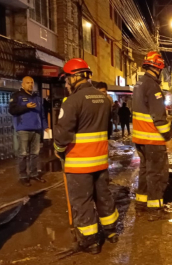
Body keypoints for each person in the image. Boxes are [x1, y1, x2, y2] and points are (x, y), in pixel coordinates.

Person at [54, 58, 118, 255]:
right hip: (100, 159)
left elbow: (63, 134)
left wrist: (58, 148)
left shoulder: (72, 101)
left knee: (82, 201)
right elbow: (108, 130)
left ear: (75, 77)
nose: (66, 84)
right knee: (103, 195)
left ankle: (90, 241)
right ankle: (111, 231)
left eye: (67, 80)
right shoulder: (104, 100)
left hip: (79, 162)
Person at [132, 51, 172, 221]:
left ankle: (141, 203)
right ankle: (155, 209)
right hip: (152, 139)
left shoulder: (139, 84)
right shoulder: (153, 86)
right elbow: (159, 118)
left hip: (140, 139)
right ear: (158, 68)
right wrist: (169, 138)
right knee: (157, 174)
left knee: (144, 171)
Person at [9, 76, 50, 186]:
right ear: (22, 84)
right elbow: (12, 110)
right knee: (22, 154)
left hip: (36, 129)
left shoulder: (37, 97)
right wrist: (26, 107)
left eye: (32, 82)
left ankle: (33, 174)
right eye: (27, 83)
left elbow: (42, 114)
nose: (30, 85)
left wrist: (45, 126)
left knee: (35, 154)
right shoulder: (17, 96)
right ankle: (23, 176)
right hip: (23, 129)